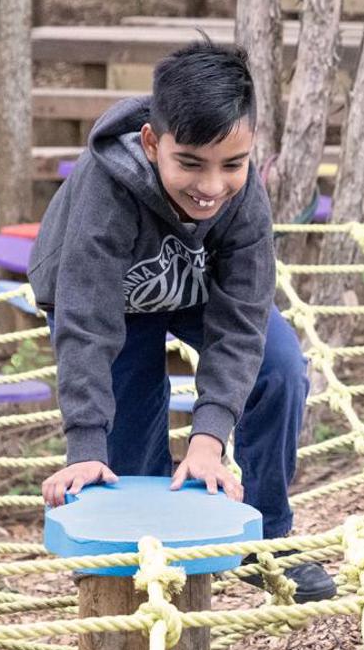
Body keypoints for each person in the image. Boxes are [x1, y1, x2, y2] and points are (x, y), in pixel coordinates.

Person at [31, 41, 335, 602]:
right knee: (126, 448)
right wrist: (85, 447)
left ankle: (263, 539)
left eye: (233, 165)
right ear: (152, 143)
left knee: (282, 369)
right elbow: (85, 324)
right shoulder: (107, 193)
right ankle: (157, 551)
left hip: (194, 289)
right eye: (191, 164)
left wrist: (209, 439)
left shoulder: (243, 198)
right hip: (109, 300)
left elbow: (242, 319)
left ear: (250, 149)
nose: (213, 186)